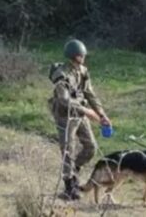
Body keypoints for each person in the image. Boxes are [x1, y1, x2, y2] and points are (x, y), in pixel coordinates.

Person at [48, 39, 112, 201]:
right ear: (73, 56)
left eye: (83, 54)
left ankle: (74, 171)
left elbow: (90, 94)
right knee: (68, 149)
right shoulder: (61, 74)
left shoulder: (83, 71)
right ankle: (69, 185)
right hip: (65, 116)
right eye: (80, 55)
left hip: (81, 114)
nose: (83, 57)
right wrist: (87, 111)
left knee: (91, 147)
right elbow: (64, 100)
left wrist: (102, 114)